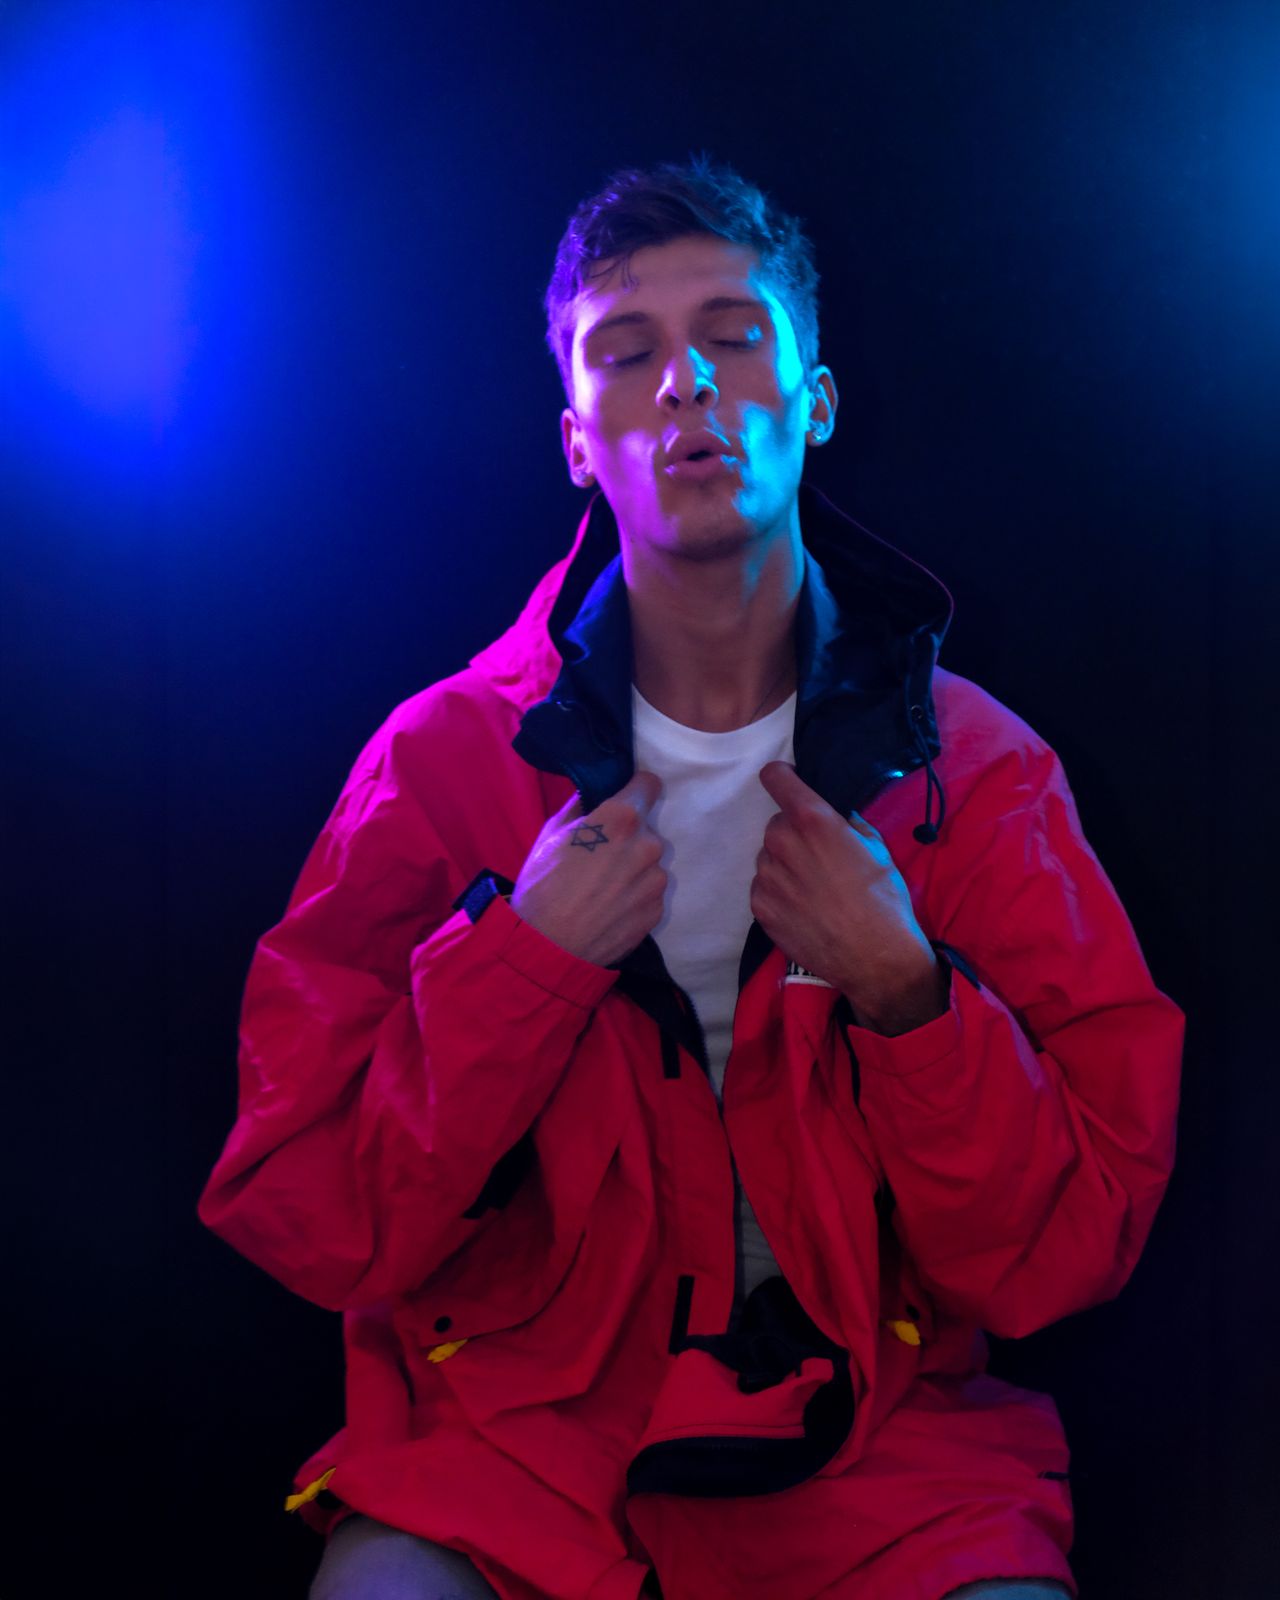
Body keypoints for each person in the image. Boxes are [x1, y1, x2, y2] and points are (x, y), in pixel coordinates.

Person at [198, 157, 1184, 1600]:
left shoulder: (978, 770)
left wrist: (911, 997)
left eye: (733, 335)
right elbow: (313, 1212)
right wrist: (521, 967)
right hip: (516, 1440)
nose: (683, 385)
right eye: (627, 350)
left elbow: (1067, 1251)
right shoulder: (442, 763)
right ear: (577, 441)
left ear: (817, 400)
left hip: (878, 1454)